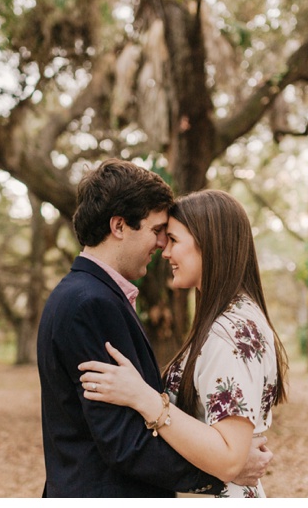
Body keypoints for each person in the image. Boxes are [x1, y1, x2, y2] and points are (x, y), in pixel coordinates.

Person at [36, 160, 272, 498]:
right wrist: (226, 471)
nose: (162, 245)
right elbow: (125, 442)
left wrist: (227, 461)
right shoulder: (91, 303)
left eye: (171, 236)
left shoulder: (85, 295)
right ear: (119, 226)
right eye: (157, 230)